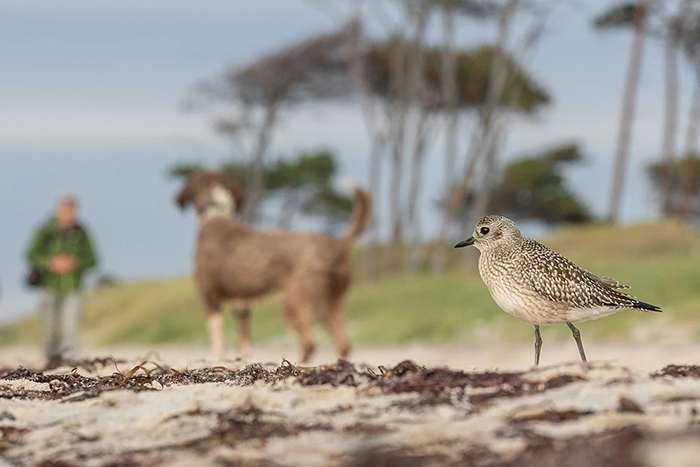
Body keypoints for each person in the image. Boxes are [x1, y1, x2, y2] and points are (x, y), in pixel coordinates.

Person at [26, 196, 97, 366]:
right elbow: (31, 254)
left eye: (71, 211)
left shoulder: (81, 233)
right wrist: (50, 263)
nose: (68, 214)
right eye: (64, 210)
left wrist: (75, 263)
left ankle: (70, 360)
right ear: (58, 211)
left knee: (70, 325)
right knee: (49, 326)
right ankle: (50, 358)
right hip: (49, 285)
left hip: (73, 286)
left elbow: (93, 259)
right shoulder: (45, 230)